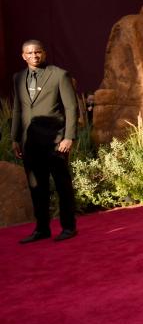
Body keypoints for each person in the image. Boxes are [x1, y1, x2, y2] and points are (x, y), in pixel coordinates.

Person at [12, 40, 79, 243]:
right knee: (36, 186)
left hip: (56, 141)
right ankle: (42, 229)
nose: (34, 56)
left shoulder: (59, 75)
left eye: (38, 52)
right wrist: (15, 138)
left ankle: (68, 227)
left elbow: (71, 108)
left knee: (62, 185)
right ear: (23, 56)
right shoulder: (18, 78)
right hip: (29, 142)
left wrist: (69, 136)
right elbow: (17, 109)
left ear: (44, 53)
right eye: (30, 53)